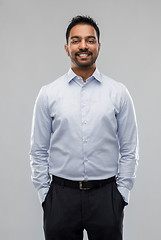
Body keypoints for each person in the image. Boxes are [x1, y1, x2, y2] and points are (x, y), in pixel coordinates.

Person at [30, 15, 139, 240]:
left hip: (106, 197)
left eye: (90, 40)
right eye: (76, 40)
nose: (83, 46)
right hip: (61, 197)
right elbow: (38, 151)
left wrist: (122, 194)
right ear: (66, 47)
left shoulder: (118, 93)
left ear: (98, 46)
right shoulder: (48, 94)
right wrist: (45, 196)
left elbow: (130, 149)